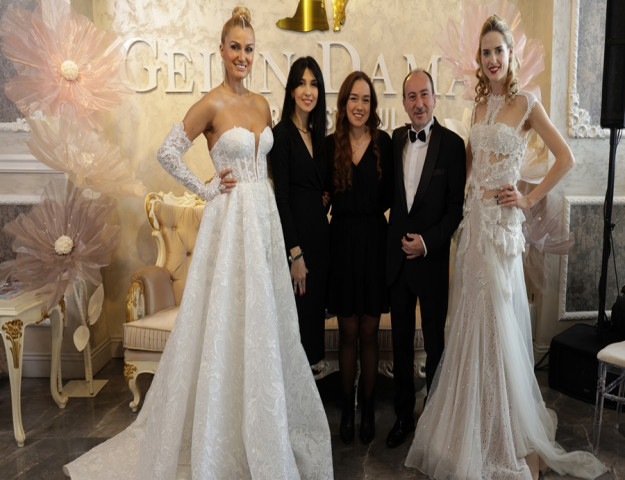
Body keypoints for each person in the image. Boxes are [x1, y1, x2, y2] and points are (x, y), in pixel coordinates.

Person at [63, 8, 333, 479]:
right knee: (227, 319)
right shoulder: (210, 104)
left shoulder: (263, 106)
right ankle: (219, 431)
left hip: (264, 221)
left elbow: (273, 168)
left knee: (266, 319)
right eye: (235, 47)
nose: (243, 56)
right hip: (230, 223)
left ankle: (266, 423)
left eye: (249, 49)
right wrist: (205, 190)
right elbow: (167, 151)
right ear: (222, 50)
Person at [405, 15, 607, 480]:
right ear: (478, 60)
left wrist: (529, 199)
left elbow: (566, 157)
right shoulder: (478, 108)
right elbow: (468, 172)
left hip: (502, 231)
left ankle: (504, 428)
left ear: (511, 55)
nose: (492, 59)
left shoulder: (527, 102)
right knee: (469, 320)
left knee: (499, 322)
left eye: (499, 50)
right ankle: (470, 420)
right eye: (485, 52)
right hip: (474, 228)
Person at [385, 68, 467, 449]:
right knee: (400, 346)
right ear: (404, 103)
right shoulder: (394, 140)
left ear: (435, 98)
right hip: (398, 263)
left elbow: (455, 209)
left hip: (431, 263)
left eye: (424, 95)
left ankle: (433, 422)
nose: (418, 103)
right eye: (411, 96)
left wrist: (428, 243)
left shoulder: (453, 146)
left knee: (435, 345)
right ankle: (403, 416)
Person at [325, 71, 392, 445]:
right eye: (354, 98)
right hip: (341, 245)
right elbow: (318, 196)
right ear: (344, 103)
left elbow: (396, 195)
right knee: (347, 331)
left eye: (366, 99)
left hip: (374, 243)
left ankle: (367, 408)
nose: (360, 106)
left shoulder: (384, 143)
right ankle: (347, 411)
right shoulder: (329, 145)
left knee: (369, 331)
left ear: (372, 105)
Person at [271, 56, 330, 367]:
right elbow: (281, 198)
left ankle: (312, 396)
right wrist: (294, 254)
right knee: (296, 333)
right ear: (292, 90)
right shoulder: (281, 135)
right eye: (302, 83)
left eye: (314, 84)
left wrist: (325, 199)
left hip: (321, 243)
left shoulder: (319, 136)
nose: (308, 91)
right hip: (297, 249)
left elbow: (322, 187)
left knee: (313, 331)